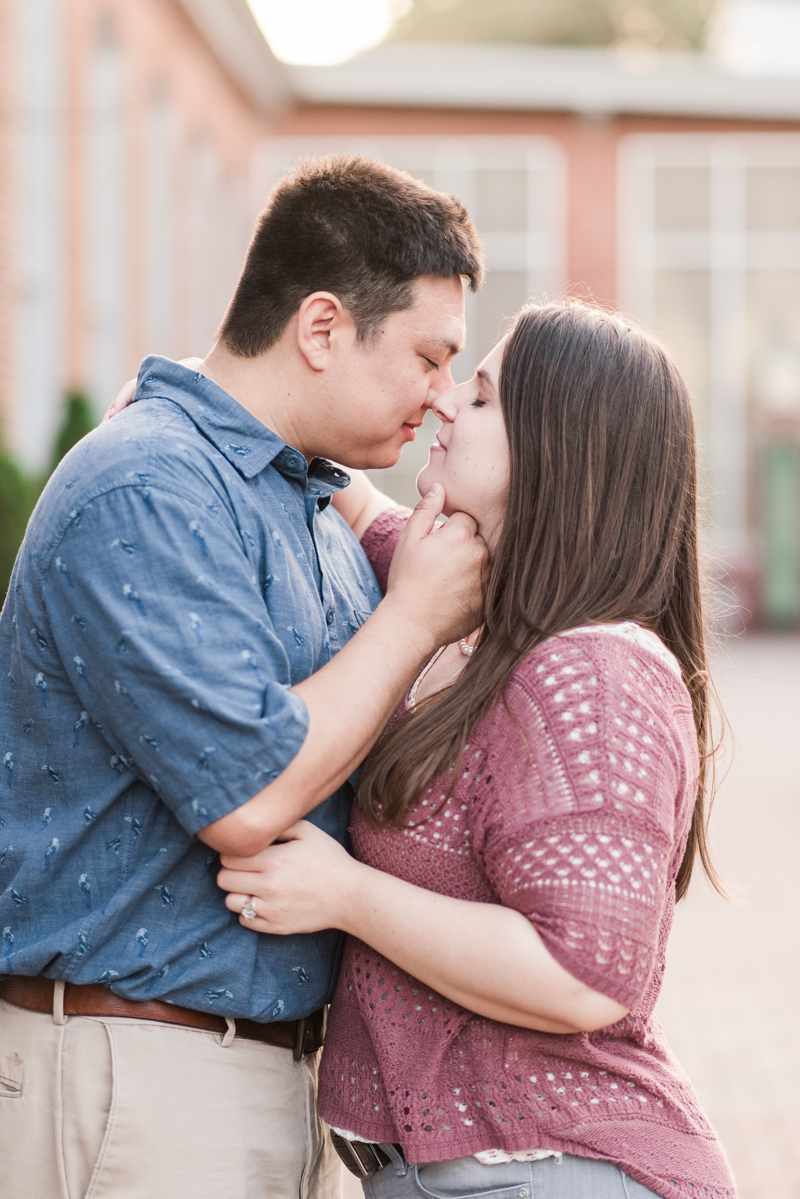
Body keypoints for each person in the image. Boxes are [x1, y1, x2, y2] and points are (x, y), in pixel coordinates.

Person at [0, 156, 487, 1199]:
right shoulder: (149, 483)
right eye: (429, 356)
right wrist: (410, 615)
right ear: (321, 327)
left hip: (240, 1074)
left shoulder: (293, 498)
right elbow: (247, 792)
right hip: (143, 1071)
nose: (442, 398)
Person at [217, 302, 737, 1199]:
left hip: (552, 1170)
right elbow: (377, 520)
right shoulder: (478, 620)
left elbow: (583, 975)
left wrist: (346, 893)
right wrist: (220, 399)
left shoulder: (595, 672)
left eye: (485, 397)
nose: (447, 402)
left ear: (560, 450)